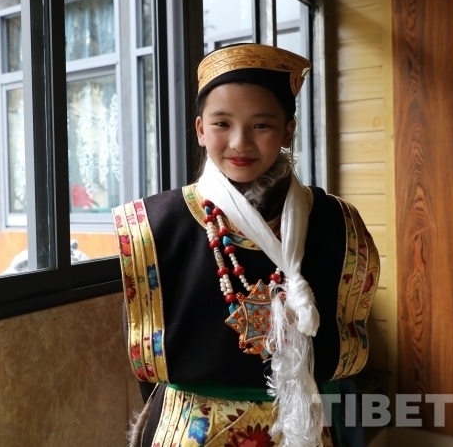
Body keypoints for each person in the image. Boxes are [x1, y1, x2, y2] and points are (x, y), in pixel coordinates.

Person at [113, 43, 380, 447]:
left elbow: (344, 359)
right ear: (200, 129)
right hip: (192, 434)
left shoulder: (336, 224)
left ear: (288, 130)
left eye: (261, 125)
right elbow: (150, 367)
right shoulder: (156, 225)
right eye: (222, 123)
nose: (239, 142)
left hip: (307, 429)